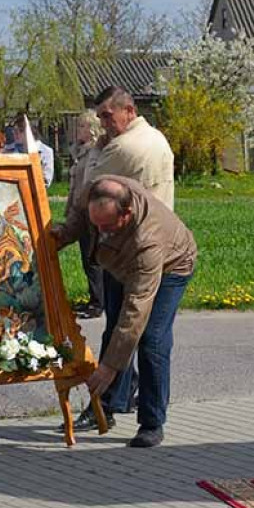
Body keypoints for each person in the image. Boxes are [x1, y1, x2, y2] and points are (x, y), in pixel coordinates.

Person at [60, 85, 175, 430]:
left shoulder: (123, 146)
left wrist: (61, 235)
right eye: (99, 118)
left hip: (136, 249)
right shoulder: (157, 137)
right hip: (144, 243)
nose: (102, 124)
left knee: (130, 331)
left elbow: (88, 192)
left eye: (107, 116)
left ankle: (113, 406)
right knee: (133, 331)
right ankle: (123, 397)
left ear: (128, 110)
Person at [53, 176, 196, 448]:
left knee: (151, 339)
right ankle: (106, 406)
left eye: (106, 226)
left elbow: (135, 312)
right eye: (97, 225)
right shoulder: (94, 192)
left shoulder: (147, 243)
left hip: (170, 267)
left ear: (127, 213)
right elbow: (80, 219)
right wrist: (60, 237)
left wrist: (107, 367)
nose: (100, 231)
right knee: (113, 332)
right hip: (117, 261)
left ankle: (152, 423)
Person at [68, 110, 104, 318]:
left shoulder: (94, 152)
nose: (77, 130)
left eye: (82, 126)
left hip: (90, 211)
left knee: (93, 258)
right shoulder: (80, 152)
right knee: (86, 257)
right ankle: (94, 298)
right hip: (79, 210)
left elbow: (90, 181)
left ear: (91, 130)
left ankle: (99, 302)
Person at [5, 114, 54, 186]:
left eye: (18, 131)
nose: (14, 135)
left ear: (28, 132)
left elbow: (46, 180)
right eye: (14, 131)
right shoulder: (7, 150)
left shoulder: (46, 151)